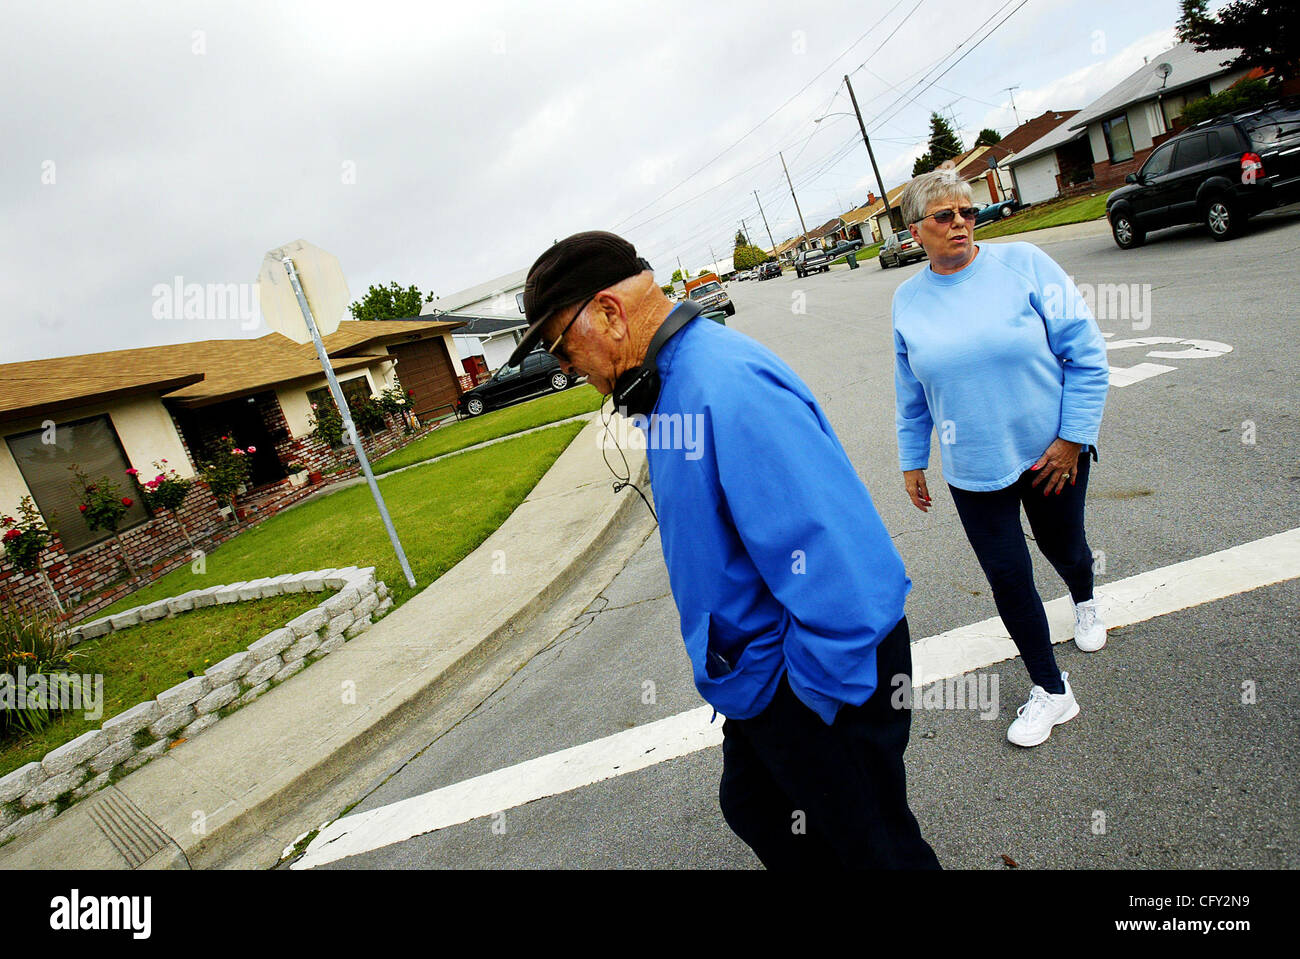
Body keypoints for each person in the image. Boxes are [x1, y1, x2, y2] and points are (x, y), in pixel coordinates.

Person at [508, 231, 939, 869]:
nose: (564, 367)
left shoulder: (723, 388)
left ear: (607, 312)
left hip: (819, 680)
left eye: (559, 345)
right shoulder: (668, 388)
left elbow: (835, 568)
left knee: (878, 851)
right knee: (757, 806)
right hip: (761, 678)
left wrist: (808, 701)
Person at [890, 168, 1110, 748]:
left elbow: (1086, 354)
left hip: (1050, 455)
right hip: (973, 468)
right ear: (917, 231)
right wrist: (913, 460)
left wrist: (1072, 438)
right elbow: (911, 392)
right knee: (1009, 576)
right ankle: (1051, 689)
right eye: (944, 216)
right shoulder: (907, 300)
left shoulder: (1027, 264)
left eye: (967, 211)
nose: (960, 223)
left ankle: (1084, 599)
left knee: (1066, 548)